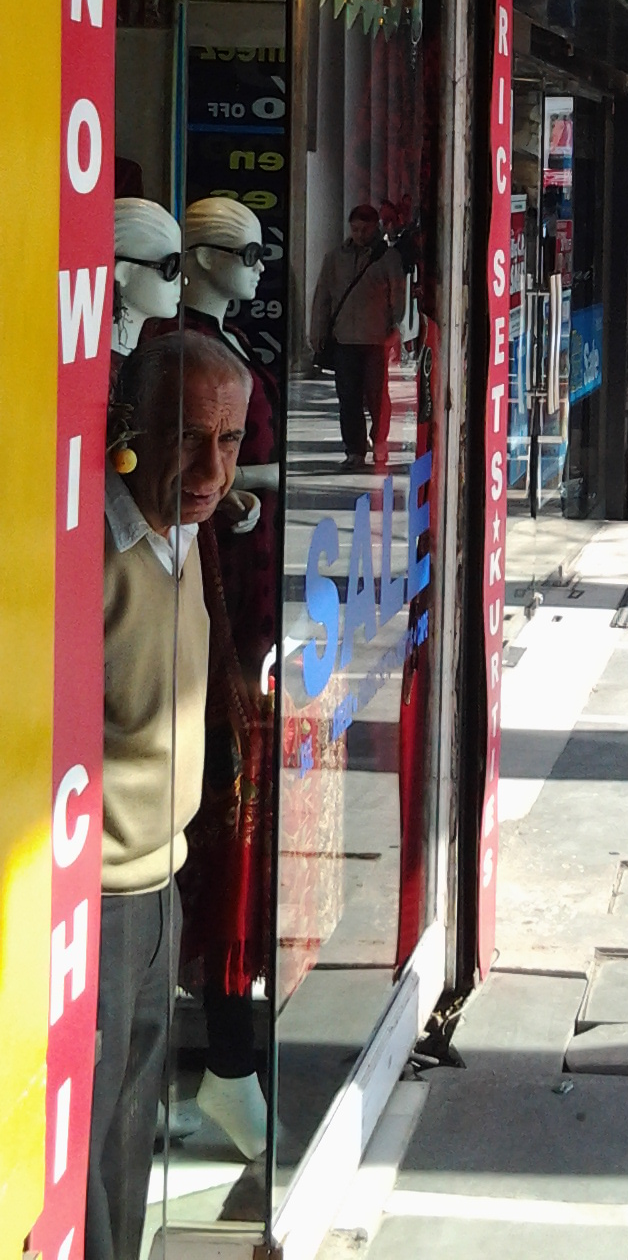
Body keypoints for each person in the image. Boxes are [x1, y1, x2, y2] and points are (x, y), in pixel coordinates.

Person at [92, 331, 252, 1260]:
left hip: (160, 888)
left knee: (128, 1135)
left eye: (230, 442)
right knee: (87, 1136)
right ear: (130, 429)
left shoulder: (185, 541)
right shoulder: (92, 556)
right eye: (189, 436)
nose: (211, 467)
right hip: (94, 901)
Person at [310, 202, 407, 468]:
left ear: (375, 228)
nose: (360, 235)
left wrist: (394, 325)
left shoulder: (388, 258)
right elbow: (323, 297)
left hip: (375, 339)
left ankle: (379, 439)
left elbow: (398, 297)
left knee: (377, 396)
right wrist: (317, 333)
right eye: (355, 229)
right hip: (344, 338)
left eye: (365, 230)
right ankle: (354, 449)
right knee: (348, 396)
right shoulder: (335, 258)